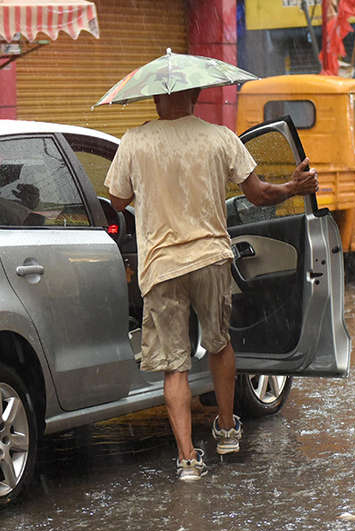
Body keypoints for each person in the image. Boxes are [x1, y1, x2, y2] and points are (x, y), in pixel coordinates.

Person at [104, 88, 319, 481]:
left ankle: (187, 460)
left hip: (162, 267)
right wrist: (293, 187)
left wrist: (150, 180)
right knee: (220, 344)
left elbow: (116, 201)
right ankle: (225, 429)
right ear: (197, 95)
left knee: (174, 367)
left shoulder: (134, 141)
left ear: (155, 101)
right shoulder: (221, 137)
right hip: (210, 260)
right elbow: (258, 194)